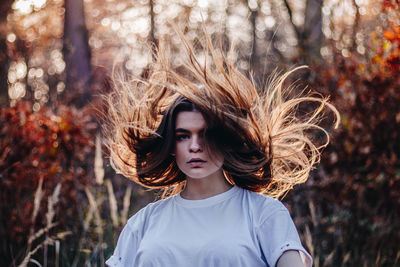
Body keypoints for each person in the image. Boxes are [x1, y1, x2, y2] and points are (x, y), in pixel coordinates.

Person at [104, 28, 339, 267]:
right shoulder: (144, 222)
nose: (195, 146)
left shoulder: (263, 213)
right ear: (171, 146)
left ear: (226, 140)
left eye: (206, 135)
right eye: (183, 136)